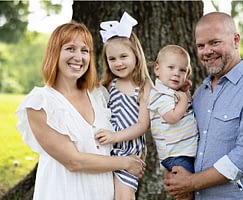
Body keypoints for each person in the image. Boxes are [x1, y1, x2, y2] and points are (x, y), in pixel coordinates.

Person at [16, 21, 145, 200]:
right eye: (70, 49)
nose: (79, 57)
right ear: (55, 52)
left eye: (85, 51)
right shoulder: (40, 103)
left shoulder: (99, 94)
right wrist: (126, 163)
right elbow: (73, 161)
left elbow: (131, 124)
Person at [164, 12, 243, 200]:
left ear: (236, 40)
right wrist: (173, 172)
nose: (206, 51)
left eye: (214, 42)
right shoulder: (200, 93)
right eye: (200, 46)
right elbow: (185, 138)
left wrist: (191, 182)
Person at [95, 12, 153, 200]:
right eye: (112, 59)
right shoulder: (108, 85)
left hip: (129, 150)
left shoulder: (143, 86)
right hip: (107, 150)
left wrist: (115, 136)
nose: (118, 63)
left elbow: (143, 125)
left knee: (123, 195)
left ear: (135, 55)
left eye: (123, 56)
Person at [148, 45, 199, 200]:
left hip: (184, 151)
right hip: (176, 154)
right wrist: (183, 98)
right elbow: (172, 117)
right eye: (171, 67)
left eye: (182, 70)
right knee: (186, 192)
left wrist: (185, 92)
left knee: (191, 191)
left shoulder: (172, 92)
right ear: (157, 69)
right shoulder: (159, 94)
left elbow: (188, 106)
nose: (176, 73)